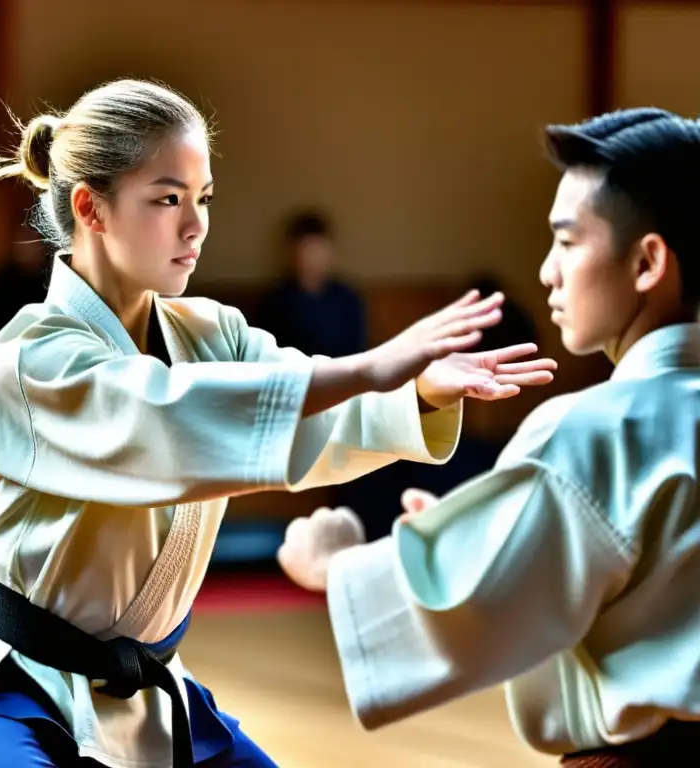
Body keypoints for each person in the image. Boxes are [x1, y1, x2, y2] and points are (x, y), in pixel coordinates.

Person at [0, 78, 556, 768]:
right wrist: (370, 367)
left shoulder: (212, 333)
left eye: (202, 199)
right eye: (168, 199)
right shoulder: (31, 358)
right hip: (19, 683)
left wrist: (417, 394)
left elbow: (301, 424)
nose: (195, 225)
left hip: (151, 693)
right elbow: (170, 422)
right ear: (92, 208)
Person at [277, 107, 700, 766]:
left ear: (648, 262)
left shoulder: (594, 431)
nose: (546, 272)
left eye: (567, 241)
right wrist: (483, 529)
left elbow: (473, 608)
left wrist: (336, 565)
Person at [255, 210, 367, 359]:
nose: (312, 259)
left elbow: (358, 352)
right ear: (293, 253)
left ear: (329, 253)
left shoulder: (348, 299)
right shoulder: (275, 303)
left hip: (341, 376)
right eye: (306, 251)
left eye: (318, 251)